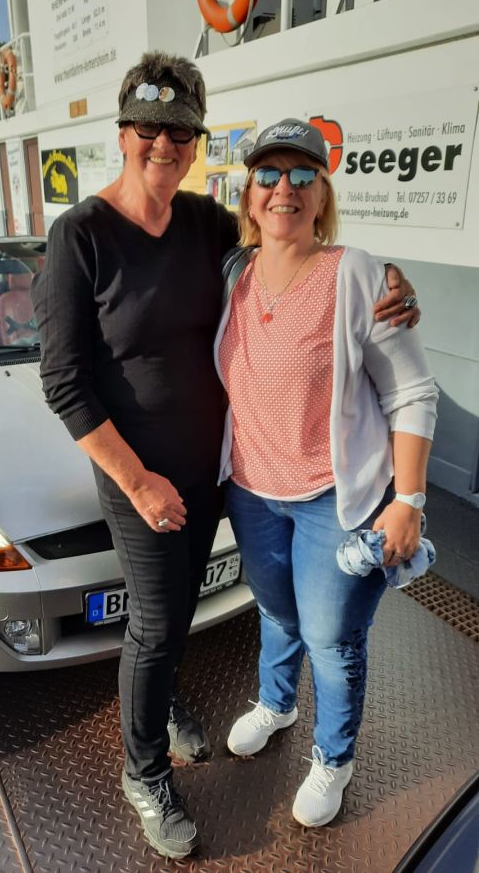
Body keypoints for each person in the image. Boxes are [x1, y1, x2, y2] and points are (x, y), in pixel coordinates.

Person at [32, 55, 419, 860]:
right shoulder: (81, 235)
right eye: (148, 129)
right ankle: (143, 773)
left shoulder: (209, 226)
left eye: (180, 132)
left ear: (195, 144)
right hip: (139, 477)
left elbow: (291, 255)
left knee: (188, 612)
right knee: (154, 622)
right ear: (122, 134)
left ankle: (166, 703)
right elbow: (64, 383)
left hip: (217, 471)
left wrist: (391, 283)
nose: (164, 144)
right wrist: (138, 483)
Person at [215, 118, 438, 828]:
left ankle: (333, 757)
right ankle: (276, 704)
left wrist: (408, 499)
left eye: (302, 175)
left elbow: (411, 392)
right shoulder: (232, 273)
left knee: (331, 640)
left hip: (335, 501)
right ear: (248, 195)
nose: (284, 187)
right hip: (251, 490)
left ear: (321, 195)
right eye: (268, 174)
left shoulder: (357, 273)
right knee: (275, 612)